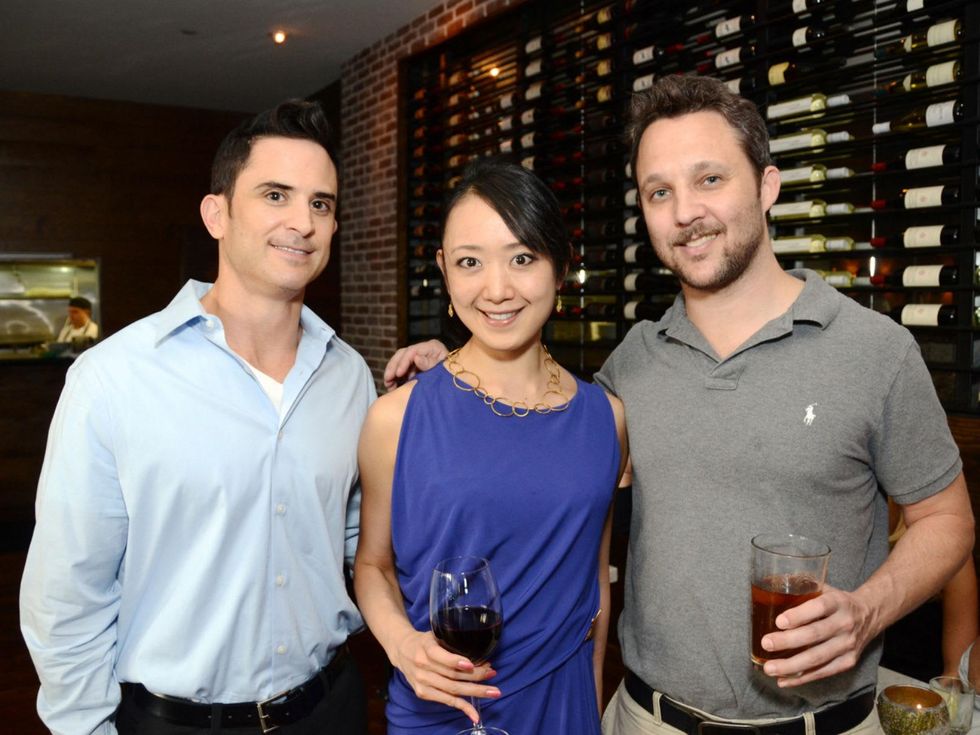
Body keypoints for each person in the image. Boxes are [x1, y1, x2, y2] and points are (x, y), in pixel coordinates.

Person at [384, 75, 974, 735]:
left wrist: (869, 607)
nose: (684, 210)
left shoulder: (876, 352)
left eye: (710, 180)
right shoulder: (630, 368)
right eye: (659, 191)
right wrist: (460, 366)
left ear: (767, 185)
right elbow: (536, 428)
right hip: (647, 720)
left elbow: (947, 520)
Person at [20, 99, 374, 735]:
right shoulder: (114, 378)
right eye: (275, 194)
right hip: (177, 722)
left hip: (332, 709)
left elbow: (357, 542)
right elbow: (66, 597)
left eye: (321, 203)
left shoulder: (349, 376)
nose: (303, 221)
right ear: (218, 214)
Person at [355, 158, 628, 734]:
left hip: (563, 704)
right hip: (443, 709)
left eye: (522, 258)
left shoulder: (606, 419)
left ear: (560, 269)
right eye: (470, 262)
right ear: (445, 274)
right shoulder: (396, 417)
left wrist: (592, 710)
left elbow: (594, 586)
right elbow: (373, 565)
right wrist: (403, 645)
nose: (496, 289)